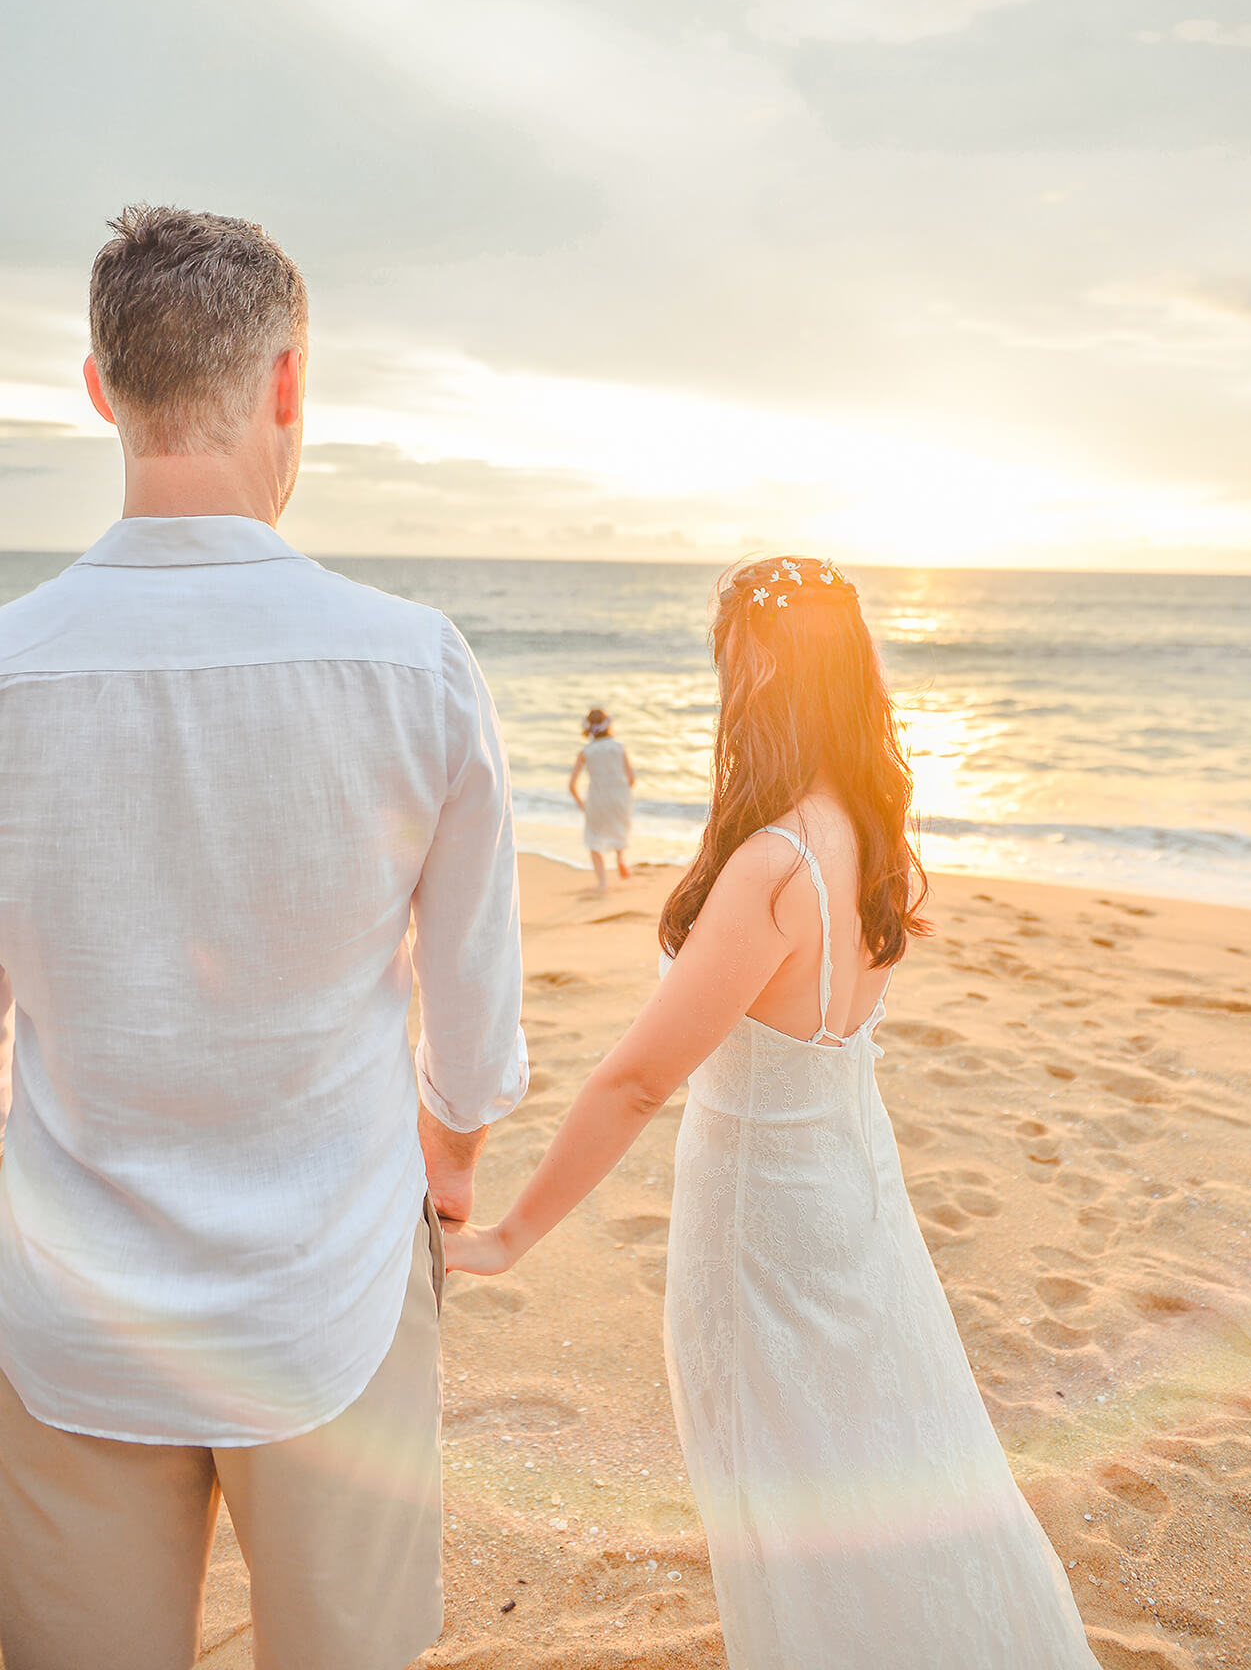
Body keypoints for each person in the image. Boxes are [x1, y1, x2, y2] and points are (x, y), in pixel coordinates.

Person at [0, 206, 527, 1670]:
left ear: (101, 387)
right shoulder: (412, 664)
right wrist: (456, 1151)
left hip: (64, 1305)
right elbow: (474, 1030)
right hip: (330, 1293)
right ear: (288, 384)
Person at [445, 556, 1101, 1669]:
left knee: (781, 1491)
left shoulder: (772, 860)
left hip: (762, 1224)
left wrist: (510, 1234)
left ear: (754, 679)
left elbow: (636, 1079)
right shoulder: (871, 830)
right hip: (853, 1190)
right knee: (878, 1453)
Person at [568, 706, 635, 891]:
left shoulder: (586, 752)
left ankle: (603, 883)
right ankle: (621, 858)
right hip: (619, 795)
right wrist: (623, 794)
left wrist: (582, 805)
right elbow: (631, 778)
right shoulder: (619, 747)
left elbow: (572, 785)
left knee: (594, 839)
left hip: (597, 799)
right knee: (619, 829)